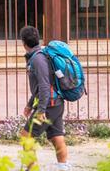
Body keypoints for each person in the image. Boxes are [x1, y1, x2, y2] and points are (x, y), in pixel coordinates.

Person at [19, 25, 70, 171]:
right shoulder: (40, 56)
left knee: (26, 136)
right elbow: (39, 88)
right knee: (56, 136)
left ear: (23, 43)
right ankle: (63, 167)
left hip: (48, 105)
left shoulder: (37, 59)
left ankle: (32, 168)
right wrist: (30, 104)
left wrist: (41, 110)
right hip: (56, 103)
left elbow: (44, 86)